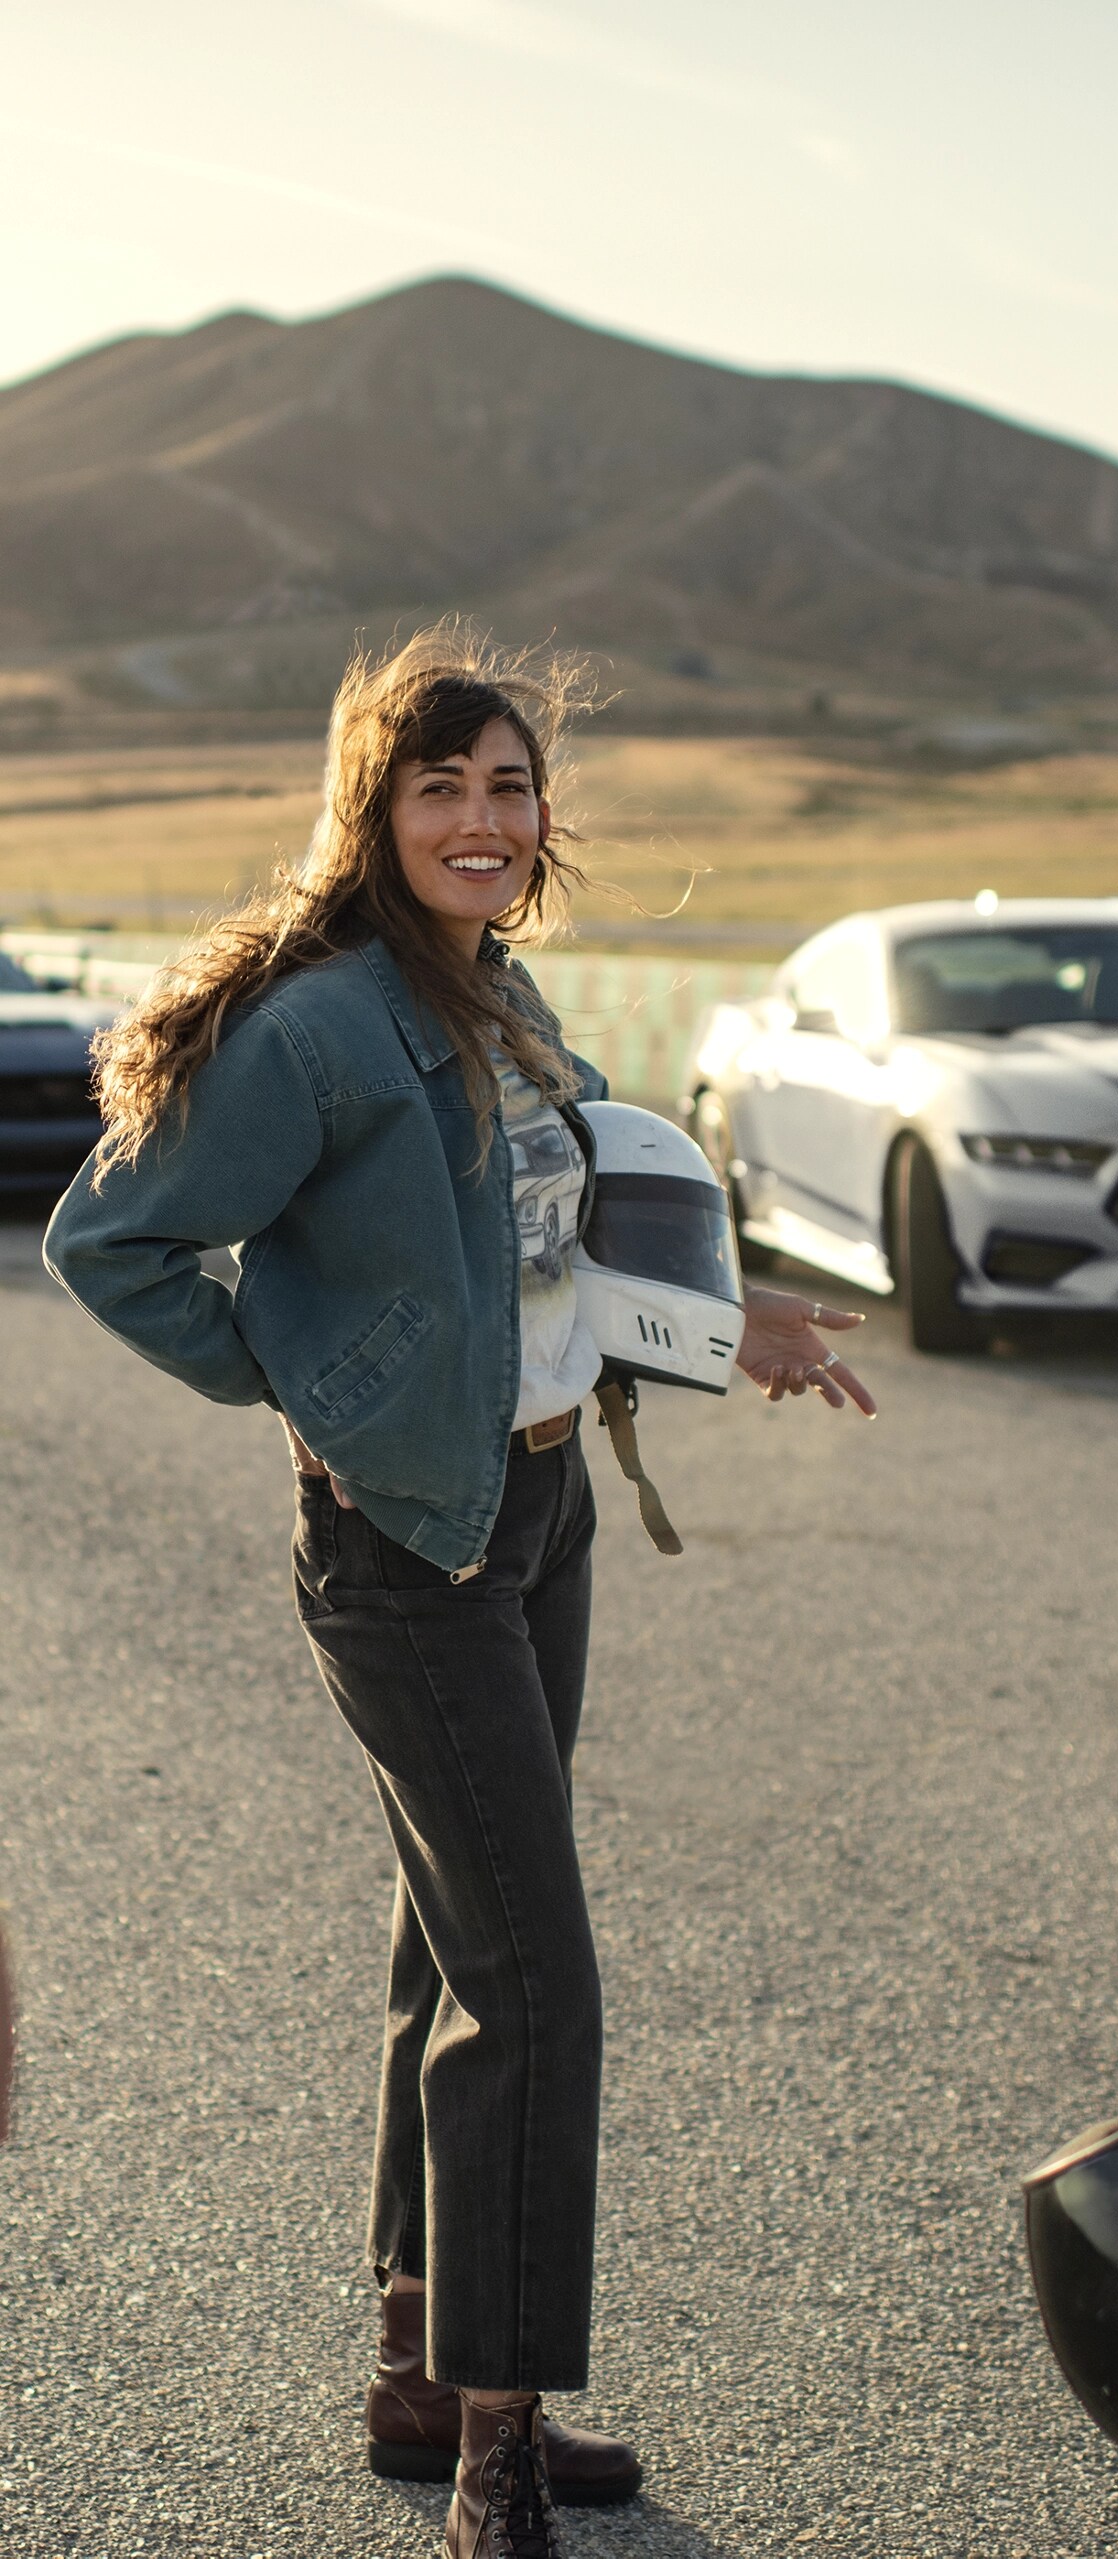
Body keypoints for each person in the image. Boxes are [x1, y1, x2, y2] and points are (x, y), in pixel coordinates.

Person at [44, 625, 877, 2559]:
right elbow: (117, 1238)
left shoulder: (498, 1004)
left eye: (510, 787)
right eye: (444, 788)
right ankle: (498, 2450)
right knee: (534, 1980)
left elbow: (560, 1243)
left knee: (458, 1944)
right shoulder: (330, 1024)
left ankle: (425, 2369)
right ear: (376, 811)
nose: (486, 819)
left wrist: (726, 1323)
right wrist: (316, 1391)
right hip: (408, 1544)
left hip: (541, 1508)